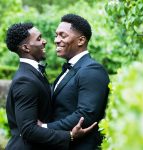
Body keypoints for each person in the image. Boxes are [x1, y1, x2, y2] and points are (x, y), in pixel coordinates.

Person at [5, 22, 97, 150]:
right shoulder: (25, 80)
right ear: (26, 48)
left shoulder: (33, 74)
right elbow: (28, 130)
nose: (44, 42)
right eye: (38, 38)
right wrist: (69, 136)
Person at [42, 14, 110, 150]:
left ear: (81, 41)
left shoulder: (92, 70)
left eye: (63, 35)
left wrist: (45, 127)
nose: (56, 40)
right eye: (56, 35)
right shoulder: (70, 68)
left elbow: (85, 115)